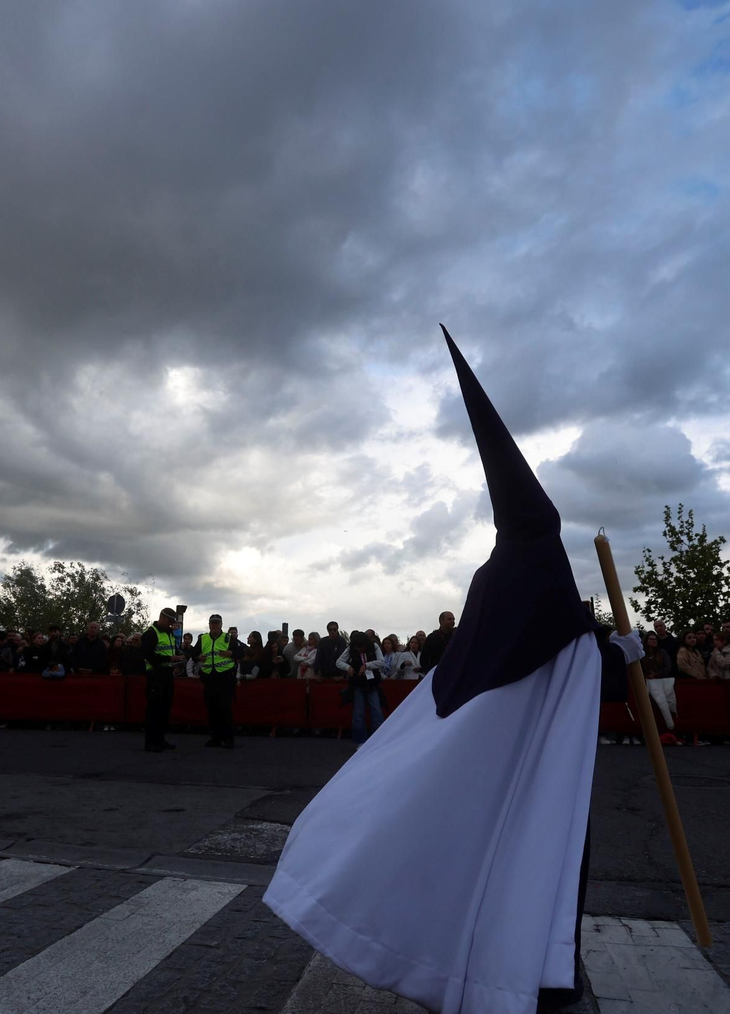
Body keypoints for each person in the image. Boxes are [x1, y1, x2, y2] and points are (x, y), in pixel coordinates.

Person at [265, 326, 643, 1011]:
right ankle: (535, 975)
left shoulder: (492, 573)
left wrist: (601, 652)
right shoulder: (542, 574)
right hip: (527, 761)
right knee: (538, 857)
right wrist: (620, 653)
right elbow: (576, 662)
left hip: (501, 747)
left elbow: (534, 656)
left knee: (481, 855)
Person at [140, 607, 182, 752]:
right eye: (169, 621)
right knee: (154, 709)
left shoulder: (169, 634)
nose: (171, 624)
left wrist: (177, 658)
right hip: (155, 675)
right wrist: (169, 658)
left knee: (164, 708)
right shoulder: (151, 633)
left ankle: (160, 739)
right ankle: (150, 742)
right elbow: (148, 655)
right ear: (162, 618)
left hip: (167, 674)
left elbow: (171, 651)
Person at [194, 614, 237, 748]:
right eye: (212, 623)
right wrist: (197, 656)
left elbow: (242, 653)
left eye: (217, 623)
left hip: (225, 677)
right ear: (209, 624)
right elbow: (193, 653)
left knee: (225, 708)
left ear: (221, 625)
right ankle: (215, 738)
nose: (214, 625)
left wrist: (232, 653)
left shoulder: (229, 638)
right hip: (210, 677)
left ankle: (228, 739)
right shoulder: (203, 638)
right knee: (212, 709)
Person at [641, 631, 678, 742]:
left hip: (661, 682)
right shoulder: (642, 654)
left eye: (656, 639)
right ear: (646, 641)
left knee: (665, 704)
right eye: (652, 639)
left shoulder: (662, 653)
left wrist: (656, 675)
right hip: (646, 682)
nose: (654, 641)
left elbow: (667, 667)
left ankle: (668, 729)